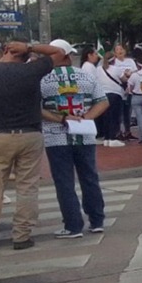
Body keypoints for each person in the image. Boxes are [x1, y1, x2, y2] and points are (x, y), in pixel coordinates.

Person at [0, 40, 67, 250]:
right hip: (30, 133)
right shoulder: (32, 70)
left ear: (6, 50)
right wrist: (30, 47)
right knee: (27, 187)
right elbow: (59, 52)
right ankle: (22, 235)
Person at [40, 39, 109, 239]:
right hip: (84, 134)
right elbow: (103, 102)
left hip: (56, 137)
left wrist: (62, 118)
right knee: (89, 177)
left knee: (64, 181)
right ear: (69, 55)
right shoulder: (85, 76)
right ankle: (97, 220)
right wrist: (85, 118)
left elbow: (36, 108)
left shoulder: (42, 79)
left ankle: (73, 225)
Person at [103, 43, 137, 144]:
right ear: (114, 52)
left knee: (128, 111)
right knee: (119, 112)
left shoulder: (130, 61)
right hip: (119, 89)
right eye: (117, 49)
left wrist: (130, 74)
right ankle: (118, 132)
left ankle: (128, 131)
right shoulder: (113, 63)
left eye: (121, 49)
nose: (120, 51)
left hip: (129, 88)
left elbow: (135, 72)